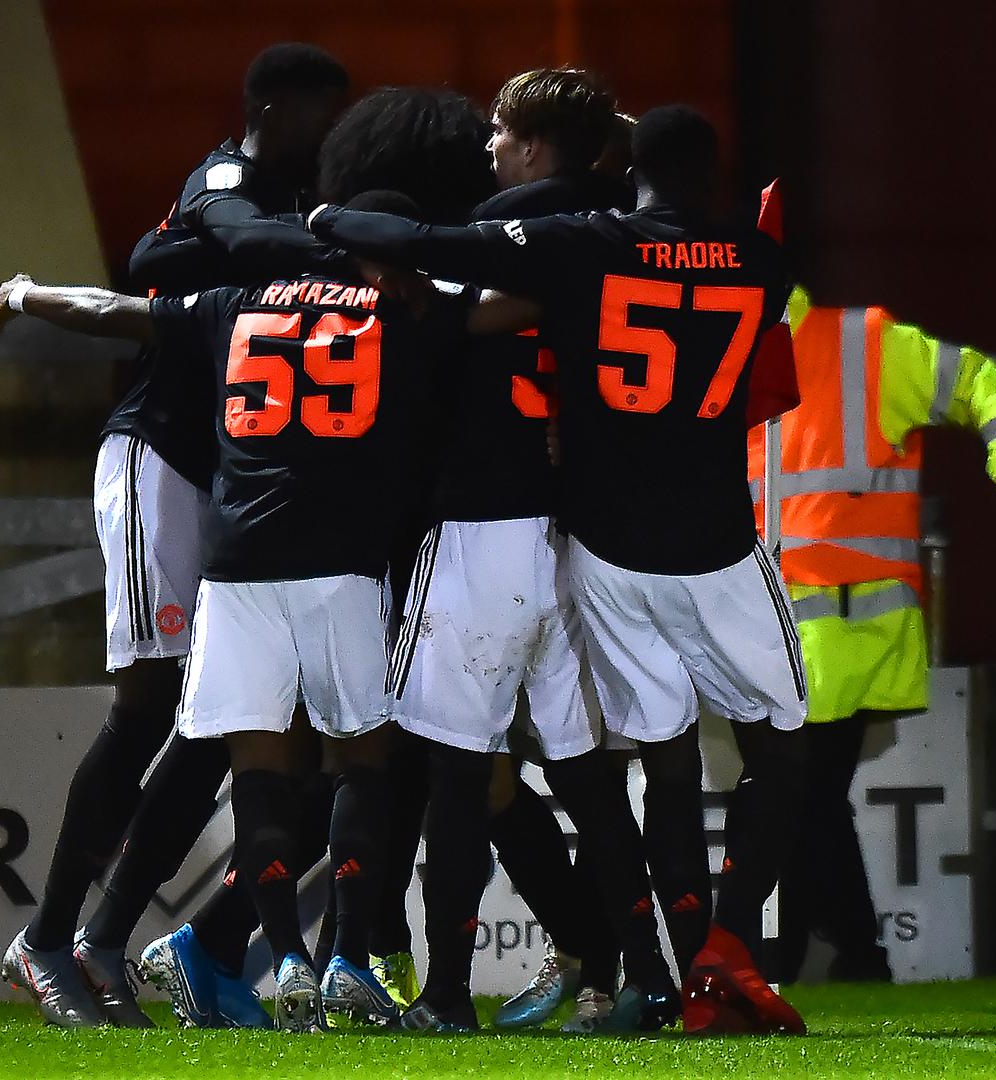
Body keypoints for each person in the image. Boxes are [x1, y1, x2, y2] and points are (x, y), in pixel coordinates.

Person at [307, 103, 812, 1036]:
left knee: (478, 771)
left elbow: (440, 278)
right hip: (659, 538)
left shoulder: (573, 248)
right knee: (656, 768)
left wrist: (328, 223)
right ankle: (687, 965)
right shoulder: (757, 257)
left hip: (551, 539)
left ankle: (452, 993)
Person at [0, 187, 492, 1032]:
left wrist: (28, 293)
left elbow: (112, 311)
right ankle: (343, 963)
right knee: (363, 766)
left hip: (236, 573)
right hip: (342, 567)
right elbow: (503, 312)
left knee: (257, 773)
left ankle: (285, 962)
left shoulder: (233, 304)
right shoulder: (401, 311)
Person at [0, 42, 350, 1030]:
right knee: (154, 702)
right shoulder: (229, 179)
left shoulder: (286, 195)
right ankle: (48, 938)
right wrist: (333, 243)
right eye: (320, 111)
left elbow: (173, 259)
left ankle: (106, 939)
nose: (329, 131)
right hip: (163, 458)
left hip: (233, 476)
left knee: (214, 720)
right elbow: (222, 239)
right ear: (272, 109)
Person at [746, 285, 996, 981]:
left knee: (801, 794)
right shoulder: (721, 349)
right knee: (803, 797)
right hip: (775, 625)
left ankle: (840, 956)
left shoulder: (862, 342)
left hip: (845, 624)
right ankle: (819, 957)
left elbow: (976, 379)